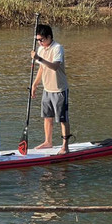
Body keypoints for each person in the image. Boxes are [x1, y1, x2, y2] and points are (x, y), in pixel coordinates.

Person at [30, 23, 71, 154]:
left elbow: (54, 66)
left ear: (49, 37)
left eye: (42, 40)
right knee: (47, 117)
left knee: (62, 119)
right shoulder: (41, 49)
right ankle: (48, 141)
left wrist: (39, 58)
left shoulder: (57, 48)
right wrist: (35, 85)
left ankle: (65, 146)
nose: (40, 42)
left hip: (59, 89)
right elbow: (42, 68)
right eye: (38, 40)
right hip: (47, 89)